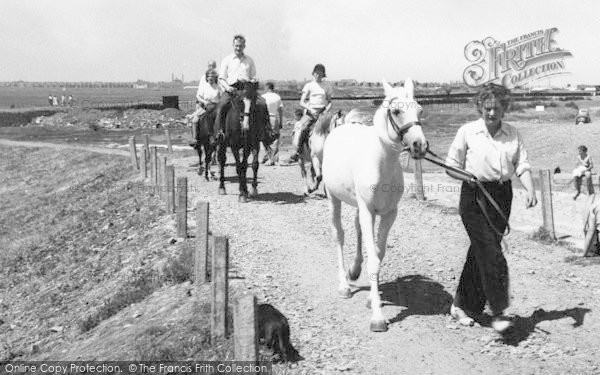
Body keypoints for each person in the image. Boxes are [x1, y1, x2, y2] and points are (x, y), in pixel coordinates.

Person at [445, 83, 537, 333]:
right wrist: (467, 176)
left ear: (505, 108)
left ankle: (462, 305)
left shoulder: (513, 133)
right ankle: (499, 310)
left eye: (496, 108)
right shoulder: (467, 131)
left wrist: (529, 189)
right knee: (491, 251)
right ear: (479, 107)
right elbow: (450, 165)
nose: (491, 113)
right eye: (487, 108)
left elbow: (522, 165)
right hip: (474, 196)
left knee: (482, 251)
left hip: (501, 196)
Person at [214, 34, 257, 139]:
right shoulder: (227, 60)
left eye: (241, 46)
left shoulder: (249, 60)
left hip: (246, 90)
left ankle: (264, 131)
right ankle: (219, 132)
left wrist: (249, 80)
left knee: (262, 104)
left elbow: (254, 77)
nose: (238, 48)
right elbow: (221, 78)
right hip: (231, 90)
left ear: (244, 46)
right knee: (221, 106)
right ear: (233, 45)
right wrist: (227, 87)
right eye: (236, 46)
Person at [293, 64, 333, 156]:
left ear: (323, 75)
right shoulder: (309, 85)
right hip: (311, 112)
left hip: (323, 112)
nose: (318, 75)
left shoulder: (327, 86)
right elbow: (302, 102)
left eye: (321, 74)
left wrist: (327, 109)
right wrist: (310, 108)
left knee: (334, 127)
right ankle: (298, 151)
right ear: (313, 74)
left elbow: (330, 102)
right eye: (317, 73)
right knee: (302, 128)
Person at [261, 82, 283, 165]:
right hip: (274, 117)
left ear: (266, 88)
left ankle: (267, 155)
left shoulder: (262, 97)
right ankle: (273, 157)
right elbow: (280, 110)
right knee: (275, 138)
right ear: (273, 88)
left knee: (264, 137)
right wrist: (280, 121)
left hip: (264, 119)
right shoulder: (277, 97)